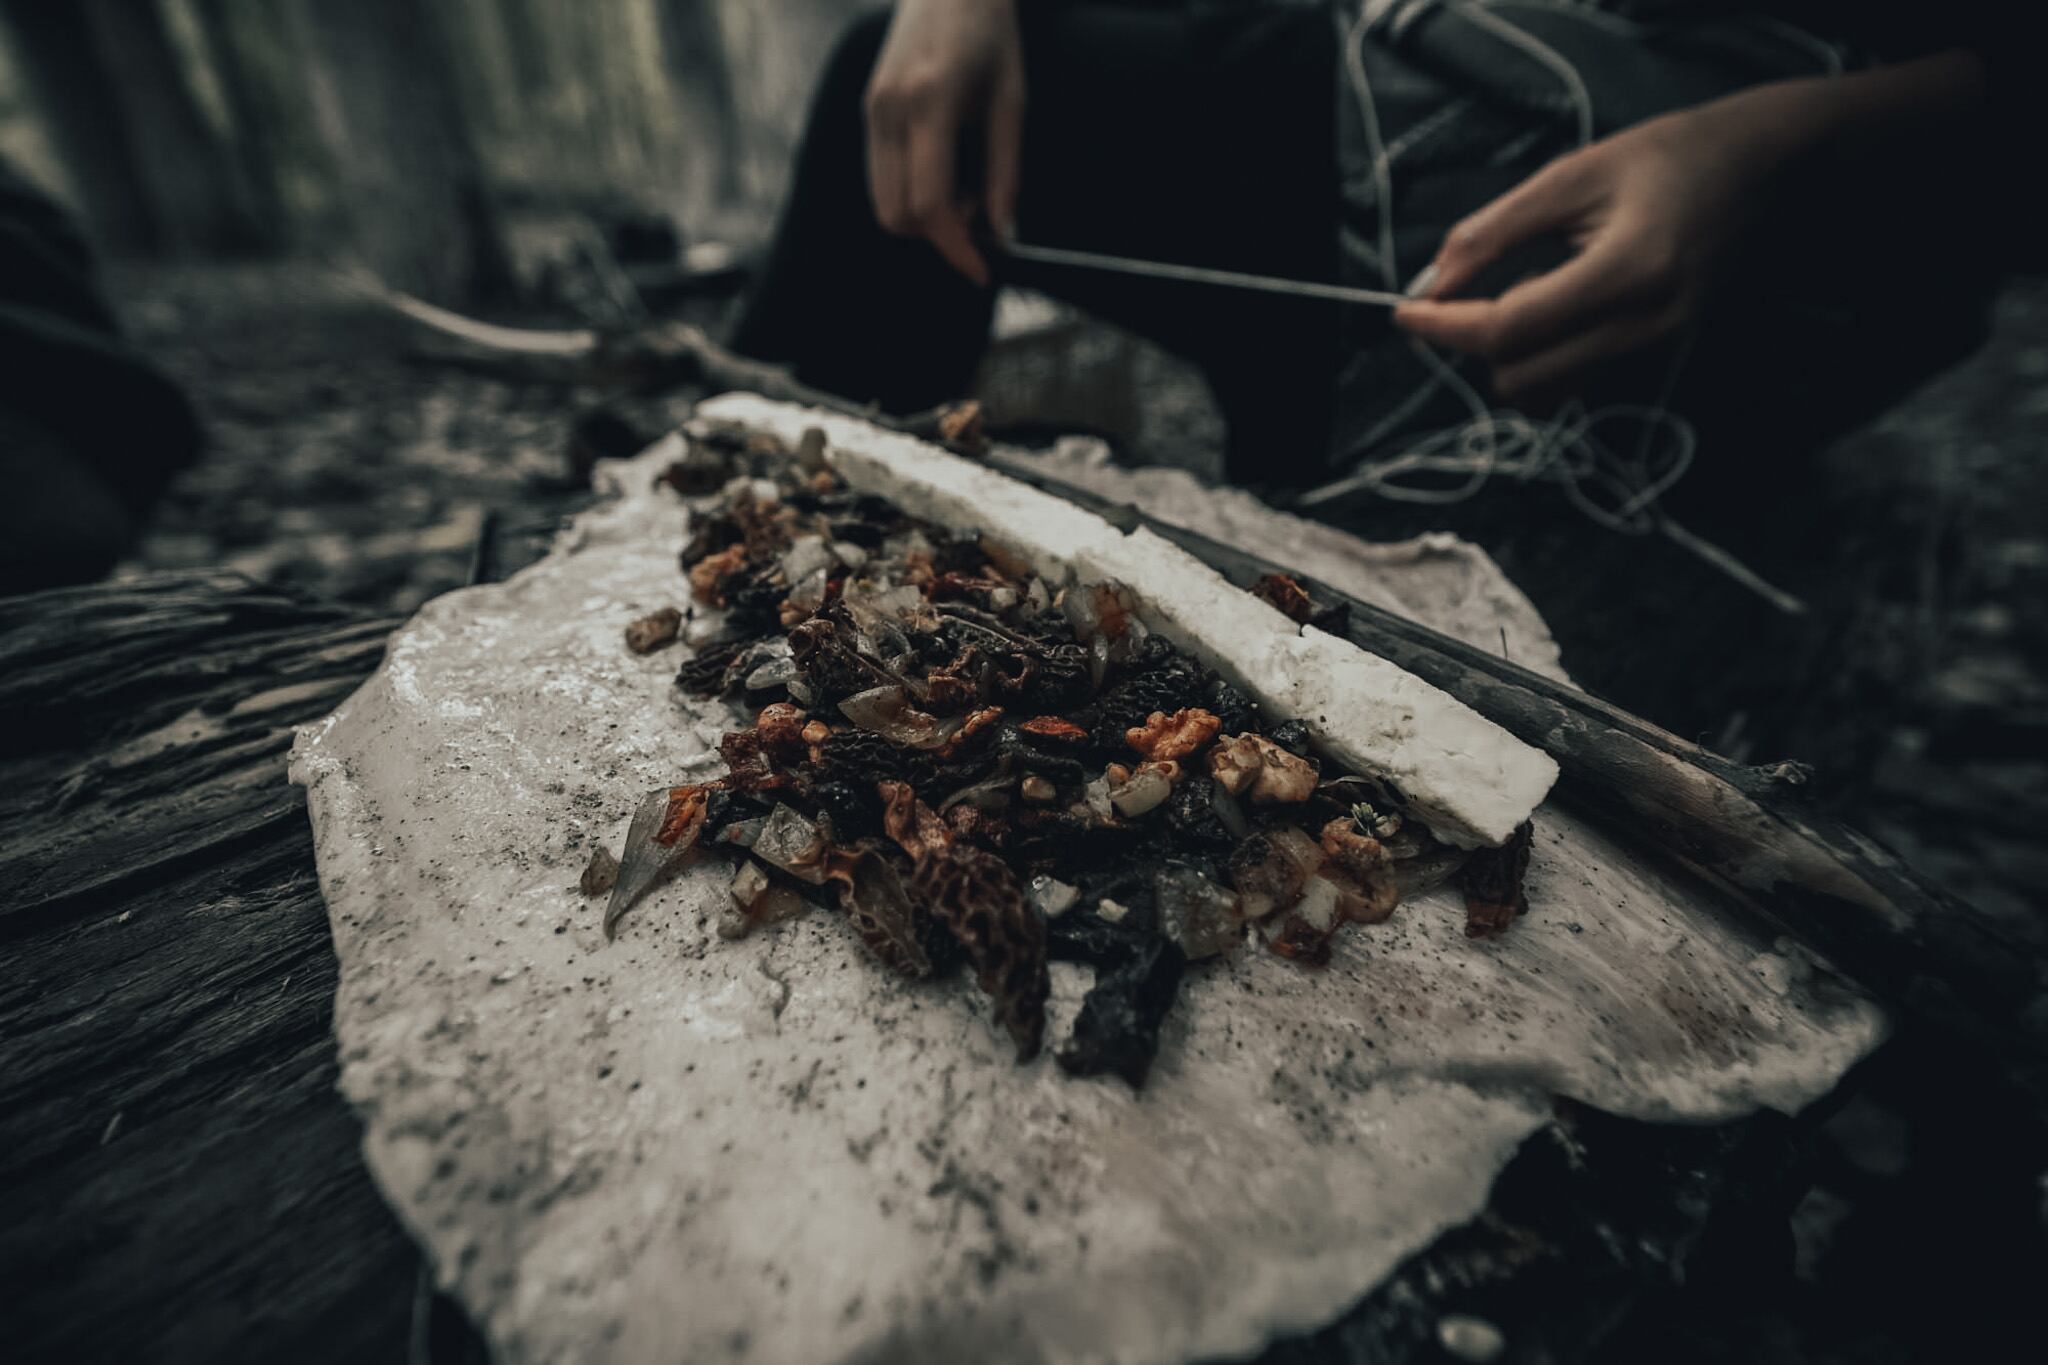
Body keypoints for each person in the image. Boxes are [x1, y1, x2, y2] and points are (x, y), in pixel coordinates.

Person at [731, 0, 2037, 502]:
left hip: (1800, 198)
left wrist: (1774, 152)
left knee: (1304, 643)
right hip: (1367, 73)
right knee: (897, 101)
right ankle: (764, 548)